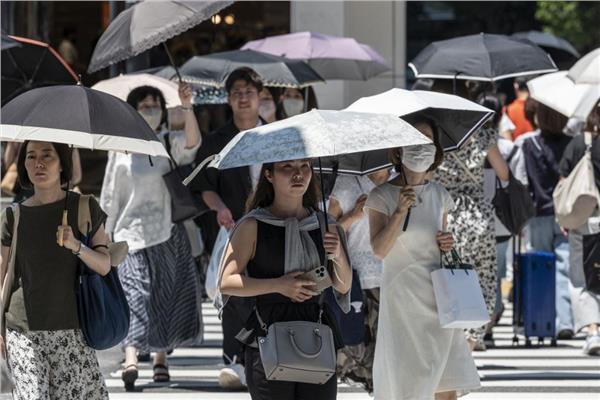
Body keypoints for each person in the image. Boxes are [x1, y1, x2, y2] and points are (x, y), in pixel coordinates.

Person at [366, 118, 480, 399]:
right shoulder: (380, 196)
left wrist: (447, 243)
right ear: (399, 150)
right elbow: (379, 249)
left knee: (444, 382)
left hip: (439, 297)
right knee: (410, 379)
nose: (420, 148)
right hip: (403, 300)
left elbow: (442, 243)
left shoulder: (439, 194)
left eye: (427, 142)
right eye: (413, 141)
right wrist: (399, 211)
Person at [219, 158, 352, 400]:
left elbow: (343, 285)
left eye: (304, 167)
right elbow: (227, 281)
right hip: (267, 333)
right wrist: (279, 285)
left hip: (316, 332)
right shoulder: (253, 224)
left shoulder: (325, 224)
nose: (298, 175)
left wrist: (339, 255)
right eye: (287, 168)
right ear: (268, 175)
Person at [100, 83, 202, 390]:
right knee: (135, 295)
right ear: (132, 111)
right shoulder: (118, 150)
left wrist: (186, 108)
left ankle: (160, 360)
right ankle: (131, 358)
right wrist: (104, 237)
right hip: (130, 235)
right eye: (144, 105)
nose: (151, 110)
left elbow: (194, 144)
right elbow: (109, 197)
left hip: (166, 233)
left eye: (155, 104)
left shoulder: (167, 144)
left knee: (164, 298)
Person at [1, 141, 109, 399]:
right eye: (31, 156)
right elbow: (2, 274)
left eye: (47, 156)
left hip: (71, 332)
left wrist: (75, 246)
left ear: (63, 163)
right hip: (22, 330)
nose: (38, 163)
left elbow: (104, 265)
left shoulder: (85, 207)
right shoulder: (13, 216)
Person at [191, 67, 265, 389]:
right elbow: (203, 185)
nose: (243, 98)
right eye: (236, 92)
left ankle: (262, 357)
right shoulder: (216, 141)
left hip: (271, 226)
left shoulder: (276, 135)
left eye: (249, 92)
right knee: (233, 292)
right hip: (232, 227)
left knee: (266, 290)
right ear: (228, 99)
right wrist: (219, 207)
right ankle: (233, 361)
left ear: (261, 96)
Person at [434, 94, 510, 351]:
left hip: (448, 214)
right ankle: (474, 335)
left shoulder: (440, 141)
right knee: (485, 275)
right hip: (478, 213)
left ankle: (452, 332)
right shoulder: (483, 136)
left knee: (452, 274)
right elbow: (503, 173)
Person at [327, 169, 389, 392]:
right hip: (352, 278)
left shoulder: (398, 184)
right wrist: (353, 215)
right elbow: (327, 232)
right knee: (352, 346)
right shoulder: (347, 184)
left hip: (390, 277)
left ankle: (380, 392)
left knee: (385, 351)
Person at [521, 102, 574, 339]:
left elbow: (524, 180)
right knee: (564, 268)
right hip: (566, 212)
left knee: (540, 266)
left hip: (538, 211)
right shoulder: (571, 144)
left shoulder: (529, 144)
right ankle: (566, 321)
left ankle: (543, 319)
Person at [559, 100, 600, 355]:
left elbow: (564, 181)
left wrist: (565, 217)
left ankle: (593, 332)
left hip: (585, 218)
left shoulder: (579, 143)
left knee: (582, 277)